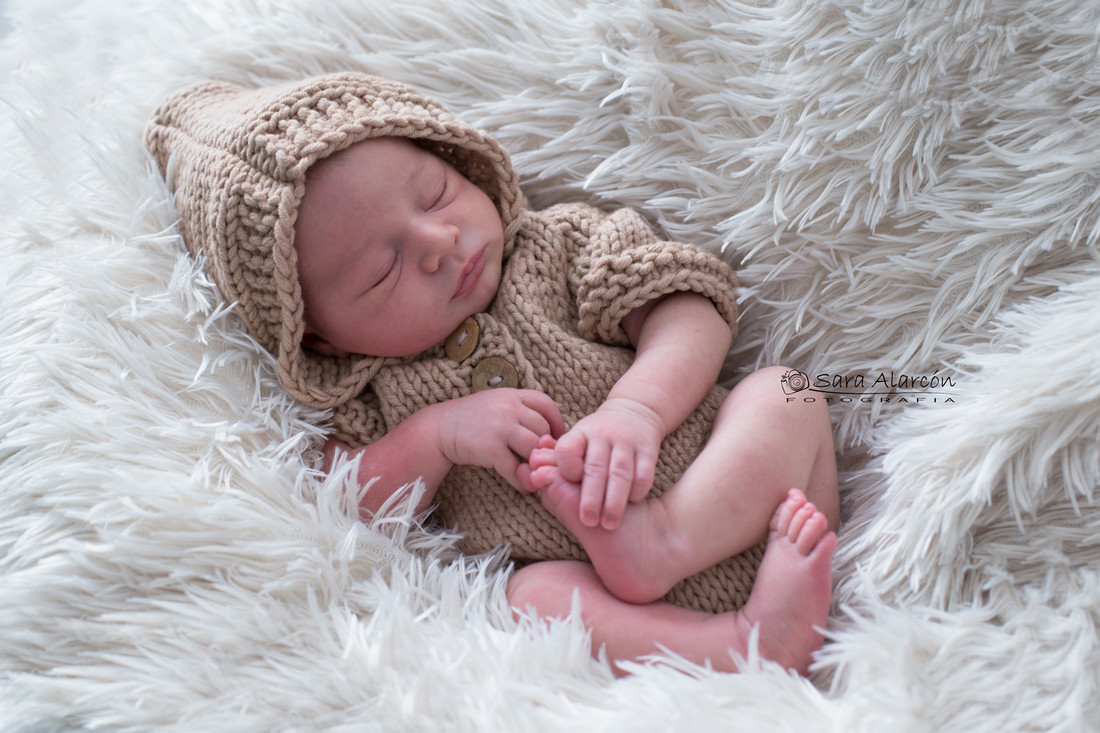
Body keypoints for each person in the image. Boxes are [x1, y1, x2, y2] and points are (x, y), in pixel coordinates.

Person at [144, 72, 839, 676]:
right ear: (318, 339)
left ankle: (668, 536)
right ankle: (742, 642)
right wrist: (437, 435)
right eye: (382, 270)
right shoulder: (369, 391)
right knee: (527, 599)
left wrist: (638, 410)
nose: (440, 243)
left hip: (760, 507)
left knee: (788, 393)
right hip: (627, 599)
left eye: (437, 194)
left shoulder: (556, 245)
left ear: (458, 158)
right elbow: (345, 501)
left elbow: (692, 308)